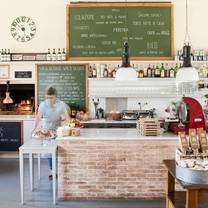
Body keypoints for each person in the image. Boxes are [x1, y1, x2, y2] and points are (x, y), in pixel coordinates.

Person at [33, 86, 70, 179]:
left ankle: (60, 171)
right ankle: (53, 172)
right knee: (49, 153)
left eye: (51, 97)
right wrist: (35, 128)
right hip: (46, 131)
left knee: (59, 151)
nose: (49, 100)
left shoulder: (61, 104)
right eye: (47, 97)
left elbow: (67, 117)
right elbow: (38, 117)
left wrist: (68, 124)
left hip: (58, 130)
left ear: (56, 96)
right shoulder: (42, 105)